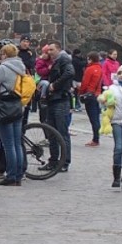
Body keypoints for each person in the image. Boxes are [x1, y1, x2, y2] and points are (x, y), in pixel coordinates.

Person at [0, 43, 28, 186]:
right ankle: (18, 175)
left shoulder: (3, 68)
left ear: (5, 54)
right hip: (17, 105)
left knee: (8, 144)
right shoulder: (21, 67)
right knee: (17, 143)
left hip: (5, 106)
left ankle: (11, 176)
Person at [44, 41, 75, 173]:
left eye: (51, 50)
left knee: (62, 132)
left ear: (58, 49)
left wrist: (55, 85)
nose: (49, 52)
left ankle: (64, 161)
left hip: (61, 100)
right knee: (51, 132)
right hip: (53, 100)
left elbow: (69, 73)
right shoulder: (56, 61)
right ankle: (53, 161)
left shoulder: (64, 59)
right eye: (48, 50)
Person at [79, 51, 104, 146]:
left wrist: (81, 92)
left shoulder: (89, 69)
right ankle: (97, 137)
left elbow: (85, 83)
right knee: (96, 117)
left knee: (93, 118)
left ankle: (95, 139)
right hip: (96, 94)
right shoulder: (100, 68)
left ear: (90, 59)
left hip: (89, 95)